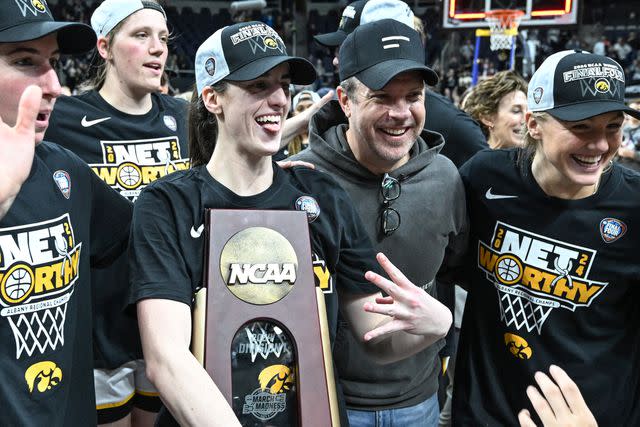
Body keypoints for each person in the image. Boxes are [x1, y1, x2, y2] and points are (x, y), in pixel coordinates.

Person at [127, 21, 452, 426]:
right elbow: (167, 360)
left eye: (283, 84)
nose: (280, 99)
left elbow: (373, 336)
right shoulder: (168, 204)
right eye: (259, 85)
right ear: (213, 97)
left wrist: (437, 326)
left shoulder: (322, 196)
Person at [294, 19, 468, 426]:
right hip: (326, 401)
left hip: (419, 402)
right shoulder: (303, 179)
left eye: (413, 96)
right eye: (382, 97)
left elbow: (456, 271)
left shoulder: (446, 178)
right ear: (345, 100)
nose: (400, 113)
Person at [453, 50, 640, 426]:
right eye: (582, 127)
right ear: (534, 124)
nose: (601, 145)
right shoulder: (483, 178)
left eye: (612, 126)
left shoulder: (634, 208)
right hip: (483, 413)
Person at [44, 0, 189, 424]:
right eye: (141, 36)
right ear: (105, 47)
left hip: (171, 319)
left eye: (162, 38)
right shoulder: (63, 118)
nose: (158, 49)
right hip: (101, 323)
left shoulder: (183, 118)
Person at [0, 1, 132, 425]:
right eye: (25, 61)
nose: (54, 84)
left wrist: (250, 181)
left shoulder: (65, 169)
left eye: (53, 62)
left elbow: (143, 233)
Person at [312, 0, 488, 168]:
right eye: (381, 97)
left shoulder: (454, 127)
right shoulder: (332, 121)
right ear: (345, 102)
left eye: (347, 47)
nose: (336, 60)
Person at [462, 70, 528, 149]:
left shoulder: (536, 159)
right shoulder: (472, 160)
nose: (527, 120)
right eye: (516, 111)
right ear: (487, 118)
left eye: (528, 111)